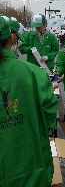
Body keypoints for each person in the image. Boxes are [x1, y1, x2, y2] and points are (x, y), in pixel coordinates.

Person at [0, 18, 58, 186]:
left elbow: (55, 51)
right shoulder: (33, 74)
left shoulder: (51, 38)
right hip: (29, 166)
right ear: (11, 39)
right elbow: (49, 113)